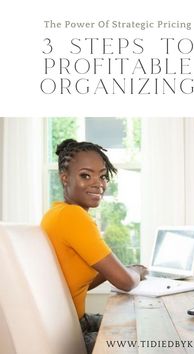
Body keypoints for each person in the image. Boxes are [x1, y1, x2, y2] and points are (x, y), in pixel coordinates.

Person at [41, 139, 147, 354]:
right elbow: (126, 282)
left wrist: (118, 269)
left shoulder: (55, 213)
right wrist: (138, 271)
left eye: (102, 176)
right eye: (85, 175)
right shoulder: (74, 216)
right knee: (156, 338)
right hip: (71, 333)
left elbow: (77, 283)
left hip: (66, 323)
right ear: (64, 178)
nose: (98, 183)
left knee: (142, 321)